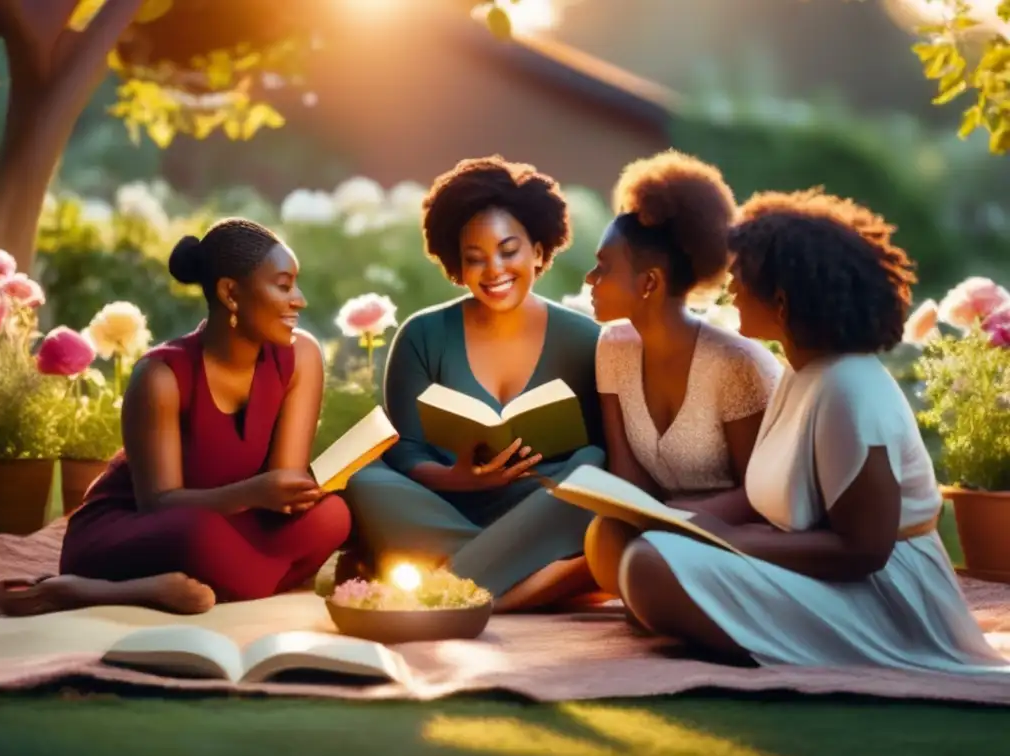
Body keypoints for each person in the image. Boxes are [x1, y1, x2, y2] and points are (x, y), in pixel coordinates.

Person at [614, 188, 1009, 672]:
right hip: (816, 571)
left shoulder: (847, 389)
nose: (730, 288)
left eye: (740, 277)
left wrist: (724, 540)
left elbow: (862, 550)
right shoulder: (803, 370)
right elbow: (762, 494)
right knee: (618, 539)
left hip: (880, 599)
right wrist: (672, 515)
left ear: (780, 302)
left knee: (649, 567)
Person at [0, 219, 351, 617]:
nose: (299, 299)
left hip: (239, 525)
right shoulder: (161, 376)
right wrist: (254, 493)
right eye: (283, 286)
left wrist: (302, 489)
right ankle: (89, 590)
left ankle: (223, 579)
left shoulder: (302, 356)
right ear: (231, 293)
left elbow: (281, 485)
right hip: (146, 526)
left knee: (334, 516)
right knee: (198, 536)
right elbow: (158, 506)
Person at [342, 156, 606, 612]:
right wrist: (457, 478)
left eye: (509, 250)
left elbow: (601, 452)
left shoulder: (586, 339)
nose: (494, 271)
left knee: (592, 468)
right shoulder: (422, 335)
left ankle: (445, 587)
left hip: (539, 507)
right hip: (445, 504)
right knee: (365, 481)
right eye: (474, 258)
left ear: (539, 252)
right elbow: (406, 450)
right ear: (456, 265)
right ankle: (536, 580)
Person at [582, 150, 782, 597]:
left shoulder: (737, 363)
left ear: (648, 283)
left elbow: (763, 497)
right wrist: (652, 520)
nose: (590, 279)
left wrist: (678, 521)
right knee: (604, 536)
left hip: (738, 538)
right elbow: (626, 475)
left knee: (649, 561)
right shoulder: (612, 348)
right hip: (663, 528)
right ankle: (661, 597)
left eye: (604, 267)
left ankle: (674, 601)